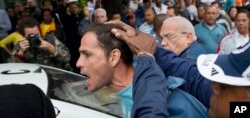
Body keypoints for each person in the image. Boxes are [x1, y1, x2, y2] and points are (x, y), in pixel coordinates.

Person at [110, 20, 249, 118]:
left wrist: (146, 59)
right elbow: (192, 77)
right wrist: (150, 48)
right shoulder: (235, 107)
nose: (213, 86)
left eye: (224, 85)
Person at [76, 23, 208, 118]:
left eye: (87, 54)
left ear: (113, 57)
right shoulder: (95, 102)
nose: (78, 63)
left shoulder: (175, 105)